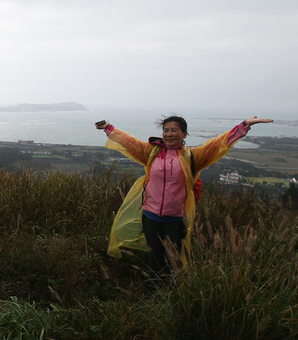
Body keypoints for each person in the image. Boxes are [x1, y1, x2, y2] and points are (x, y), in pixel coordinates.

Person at [96, 114, 273, 275]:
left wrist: (244, 126)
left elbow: (219, 144)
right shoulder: (151, 152)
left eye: (174, 130)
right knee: (155, 257)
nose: (169, 134)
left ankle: (172, 292)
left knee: (174, 260)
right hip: (150, 215)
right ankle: (155, 290)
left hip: (176, 218)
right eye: (166, 130)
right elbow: (129, 142)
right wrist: (108, 128)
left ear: (184, 134)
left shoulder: (193, 157)